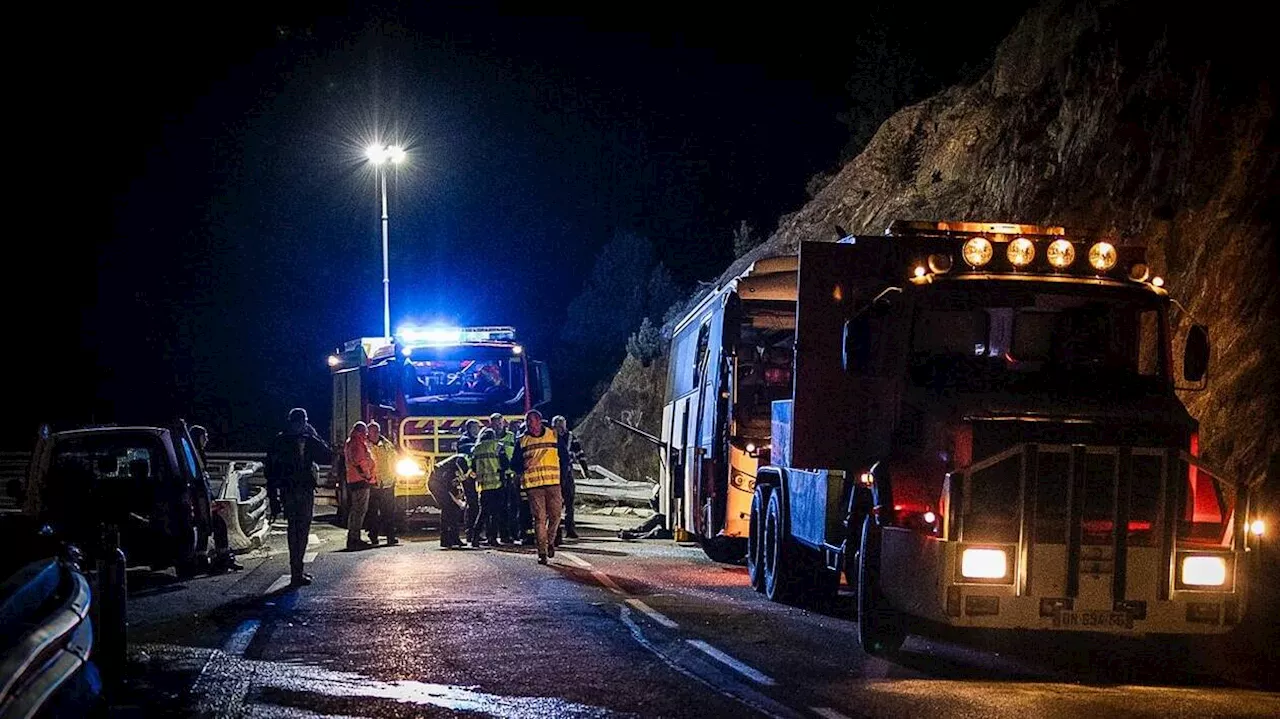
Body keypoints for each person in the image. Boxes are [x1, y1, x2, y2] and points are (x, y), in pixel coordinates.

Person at [265, 408, 332, 587]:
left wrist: (273, 497)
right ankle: (297, 570)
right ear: (302, 421)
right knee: (300, 530)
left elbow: (269, 472)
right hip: (297, 490)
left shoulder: (283, 440)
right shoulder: (285, 441)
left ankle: (297, 570)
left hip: (292, 490)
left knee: (296, 530)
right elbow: (328, 453)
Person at [511, 409, 561, 564]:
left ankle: (550, 541)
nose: (530, 426)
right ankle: (542, 552)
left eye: (532, 422)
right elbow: (514, 464)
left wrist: (564, 480)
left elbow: (563, 457)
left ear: (540, 421)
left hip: (553, 483)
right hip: (534, 486)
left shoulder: (553, 435)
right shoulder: (522, 440)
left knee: (556, 516)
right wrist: (523, 465)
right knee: (539, 518)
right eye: (528, 423)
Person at [190, 425, 243, 572]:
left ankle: (204, 558)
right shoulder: (194, 456)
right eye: (204, 436)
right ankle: (222, 558)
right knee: (216, 525)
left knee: (207, 527)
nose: (206, 439)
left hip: (201, 501)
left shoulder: (195, 455)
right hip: (197, 502)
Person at [470, 427, 508, 547]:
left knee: (483, 513)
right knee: (495, 514)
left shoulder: (476, 449)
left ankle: (475, 538)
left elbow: (473, 468)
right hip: (497, 484)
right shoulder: (498, 446)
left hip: (482, 486)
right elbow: (505, 464)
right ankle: (492, 538)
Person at [366, 421, 399, 546]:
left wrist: (394, 477)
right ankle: (373, 536)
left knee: (388, 511)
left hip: (387, 483)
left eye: (376, 431)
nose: (374, 434)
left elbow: (395, 460)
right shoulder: (365, 445)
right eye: (372, 432)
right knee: (372, 513)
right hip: (373, 483)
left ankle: (391, 536)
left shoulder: (387, 445)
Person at [343, 422, 375, 550]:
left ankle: (354, 537)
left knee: (357, 510)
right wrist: (367, 475)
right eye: (365, 432)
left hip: (355, 479)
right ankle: (354, 538)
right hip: (360, 480)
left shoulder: (353, 441)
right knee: (359, 510)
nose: (366, 435)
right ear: (362, 431)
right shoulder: (357, 442)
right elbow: (359, 461)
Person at [428, 453, 470, 548]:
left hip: (438, 483)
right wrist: (458, 501)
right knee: (448, 509)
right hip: (436, 484)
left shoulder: (458, 461)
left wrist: (460, 496)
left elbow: (455, 484)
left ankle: (452, 539)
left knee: (452, 509)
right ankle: (447, 539)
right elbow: (448, 488)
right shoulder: (453, 468)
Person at [489, 413, 518, 544]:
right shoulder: (488, 437)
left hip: (509, 476)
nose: (498, 426)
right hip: (494, 477)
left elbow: (517, 453)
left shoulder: (511, 436)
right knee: (495, 509)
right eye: (495, 423)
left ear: (504, 423)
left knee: (509, 507)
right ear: (491, 424)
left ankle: (508, 534)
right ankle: (494, 535)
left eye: (500, 423)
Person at [551, 415, 580, 542]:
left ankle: (570, 529)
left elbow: (579, 452)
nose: (561, 427)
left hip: (567, 473)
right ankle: (556, 532)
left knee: (569, 502)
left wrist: (585, 469)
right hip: (554, 473)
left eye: (562, 424)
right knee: (555, 504)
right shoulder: (550, 437)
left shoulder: (570, 437)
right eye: (558, 425)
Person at [457, 419, 482, 544]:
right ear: (469, 429)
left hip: (474, 476)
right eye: (475, 428)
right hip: (468, 477)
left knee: (476, 504)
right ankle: (470, 533)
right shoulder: (465, 441)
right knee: (472, 504)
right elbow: (470, 455)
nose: (477, 430)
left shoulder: (473, 440)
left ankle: (474, 532)